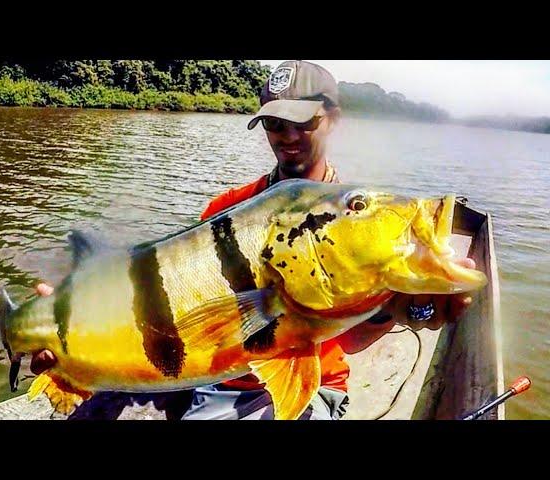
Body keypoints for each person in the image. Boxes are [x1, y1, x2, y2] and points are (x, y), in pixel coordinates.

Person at [30, 60, 476, 420]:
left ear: (333, 119)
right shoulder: (225, 210)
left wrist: (414, 306)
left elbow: (359, 334)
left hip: (314, 384)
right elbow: (168, 307)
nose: (288, 137)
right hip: (221, 386)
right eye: (275, 124)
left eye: (304, 122)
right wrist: (80, 321)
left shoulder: (353, 221)